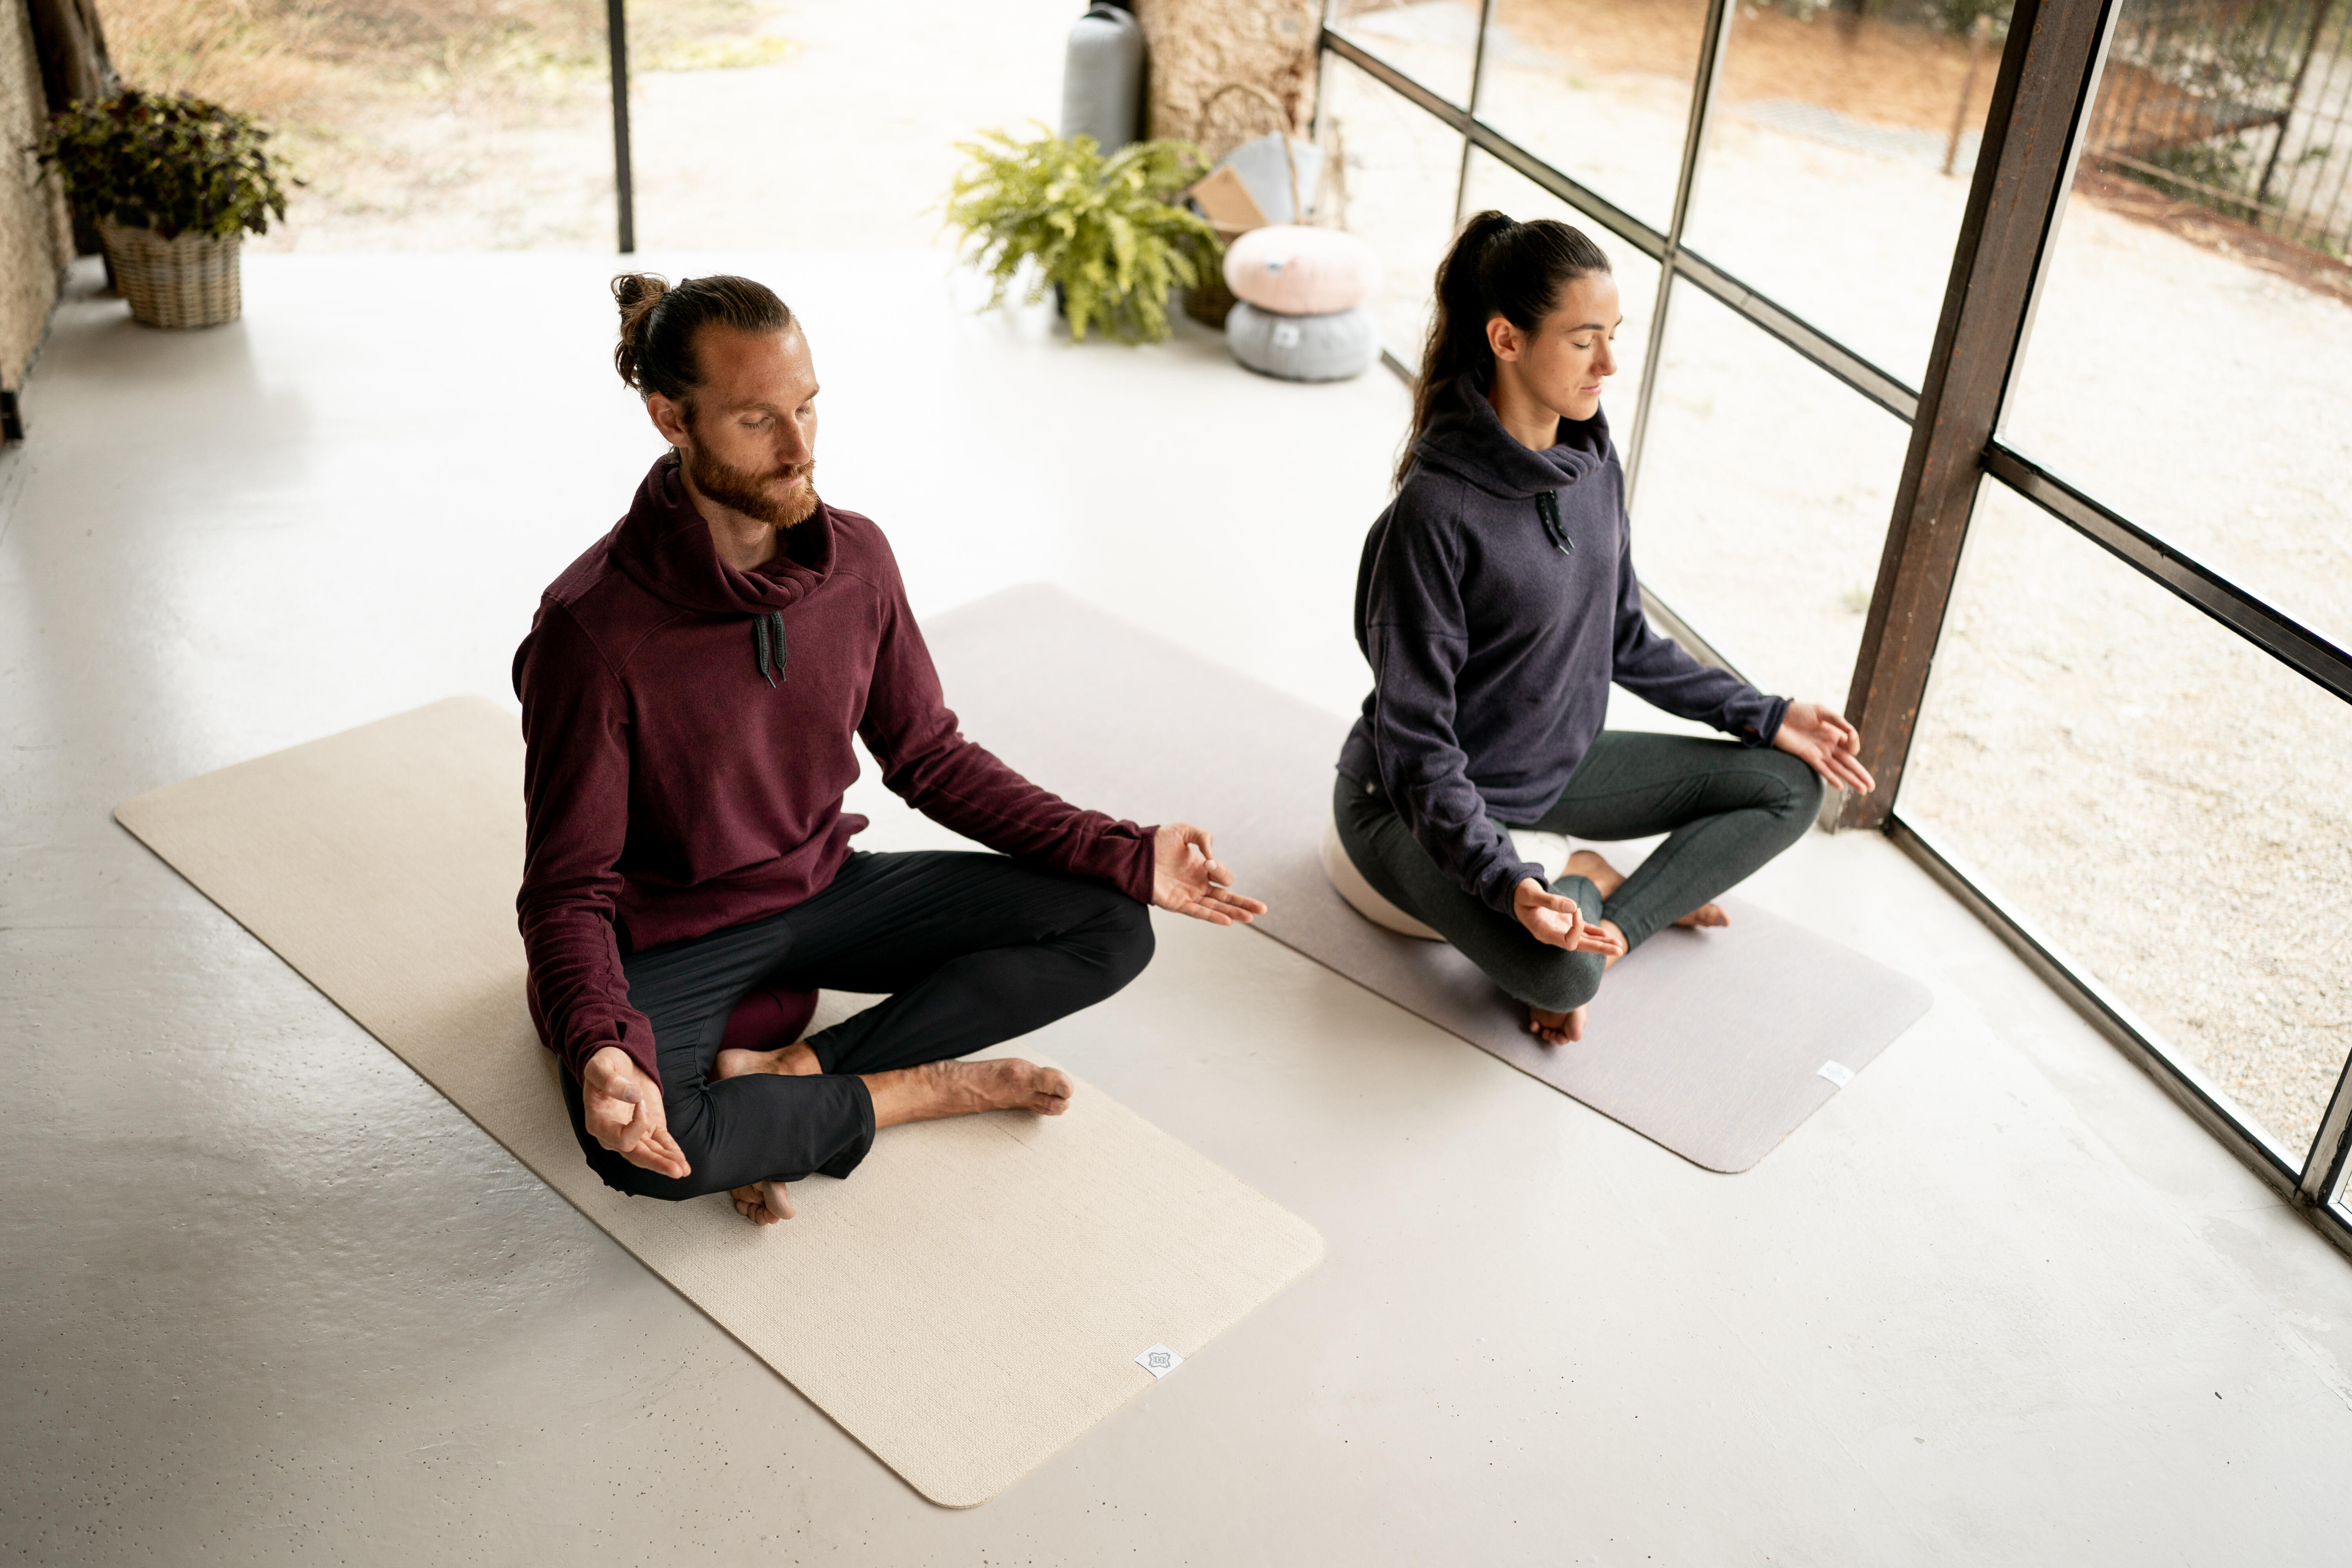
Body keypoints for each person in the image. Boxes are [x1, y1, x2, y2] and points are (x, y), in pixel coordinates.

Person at [515, 273, 1265, 1227]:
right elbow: (566, 889)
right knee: (647, 1152)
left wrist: (1119, 848)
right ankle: (922, 1090)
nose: (799, 449)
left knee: (1114, 926)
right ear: (673, 418)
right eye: (757, 421)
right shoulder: (594, 630)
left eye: (808, 407)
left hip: (825, 886)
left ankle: (804, 1072)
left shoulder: (857, 561)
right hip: (676, 932)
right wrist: (601, 1048)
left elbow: (931, 756)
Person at [1332, 212, 1875, 1046]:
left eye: (1614, 336)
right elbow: (1416, 745)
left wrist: (1767, 713)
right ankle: (1576, 889)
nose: (1611, 363)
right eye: (1586, 339)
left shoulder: (1591, 462)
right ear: (1506, 338)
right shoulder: (1436, 513)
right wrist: (1510, 880)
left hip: (1551, 766)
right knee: (1562, 972)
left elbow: (1625, 638)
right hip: (1408, 807)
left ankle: (1605, 902)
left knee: (1791, 784)